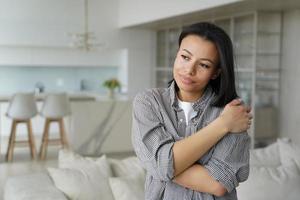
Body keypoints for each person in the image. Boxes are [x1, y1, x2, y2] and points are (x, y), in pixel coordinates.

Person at [132, 22, 252, 200]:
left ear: (216, 72)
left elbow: (218, 184)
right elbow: (159, 165)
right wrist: (223, 125)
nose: (189, 70)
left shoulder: (233, 111)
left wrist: (164, 163)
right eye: (185, 57)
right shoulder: (148, 103)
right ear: (177, 55)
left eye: (203, 65)